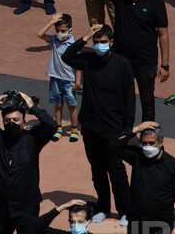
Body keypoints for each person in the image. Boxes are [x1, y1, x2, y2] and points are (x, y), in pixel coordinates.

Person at [61, 24, 135, 226]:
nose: (99, 45)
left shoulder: (122, 64)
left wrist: (127, 130)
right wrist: (85, 37)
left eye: (103, 42)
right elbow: (66, 57)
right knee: (97, 170)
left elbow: (130, 96)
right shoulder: (89, 60)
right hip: (91, 127)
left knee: (116, 172)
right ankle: (103, 207)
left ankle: (125, 211)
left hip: (113, 129)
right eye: (96, 41)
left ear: (111, 43)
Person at [0, 91, 58, 234]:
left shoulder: (33, 139)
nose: (11, 123)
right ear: (3, 122)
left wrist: (33, 108)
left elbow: (51, 126)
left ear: (24, 121)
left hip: (26, 209)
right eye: (7, 121)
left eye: (16, 120)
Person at [93, 0, 170, 122]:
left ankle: (148, 133)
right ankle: (124, 132)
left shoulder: (155, 2)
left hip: (146, 61)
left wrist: (165, 65)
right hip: (121, 59)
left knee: (147, 100)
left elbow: (163, 35)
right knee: (122, 99)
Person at [115, 122, 175, 234]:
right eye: (144, 143)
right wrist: (136, 129)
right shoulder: (137, 157)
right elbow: (114, 146)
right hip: (136, 222)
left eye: (152, 143)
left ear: (161, 142)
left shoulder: (174, 166)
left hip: (160, 226)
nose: (148, 146)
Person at [36, 13, 81, 142]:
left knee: (71, 105)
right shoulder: (54, 40)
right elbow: (40, 34)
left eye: (63, 31)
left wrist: (77, 82)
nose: (59, 33)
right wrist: (51, 22)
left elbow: (78, 65)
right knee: (58, 104)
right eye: (57, 30)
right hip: (55, 78)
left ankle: (74, 130)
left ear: (70, 30)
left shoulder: (73, 45)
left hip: (69, 80)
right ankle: (59, 129)